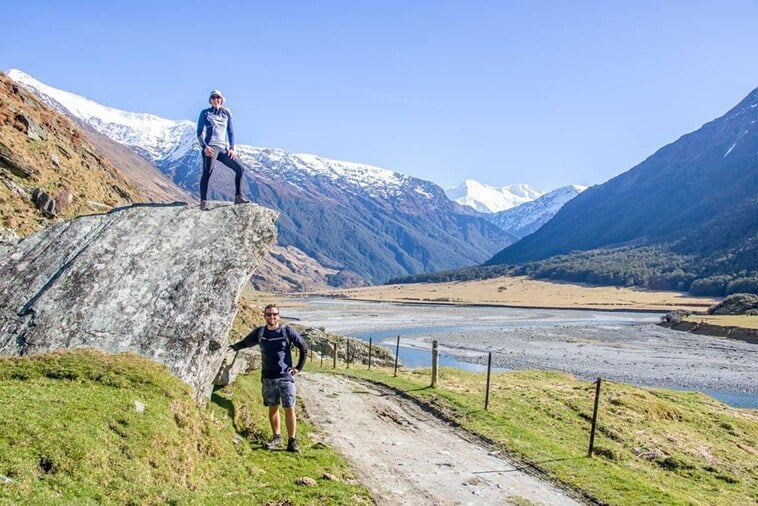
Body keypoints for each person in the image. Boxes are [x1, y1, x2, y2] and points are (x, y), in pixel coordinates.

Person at [229, 303, 308, 452]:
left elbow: (303, 347)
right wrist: (233, 348)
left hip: (285, 377)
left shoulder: (287, 331)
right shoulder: (260, 333)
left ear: (279, 315)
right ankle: (276, 438)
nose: (272, 317)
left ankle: (292, 441)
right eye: (269, 314)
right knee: (273, 408)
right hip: (268, 378)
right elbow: (246, 342)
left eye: (274, 314)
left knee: (289, 408)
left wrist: (298, 368)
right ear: (264, 316)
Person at [196, 89, 250, 211]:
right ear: (210, 100)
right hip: (211, 147)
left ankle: (238, 197)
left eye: (218, 97)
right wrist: (205, 147)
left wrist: (232, 148)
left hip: (223, 148)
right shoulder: (205, 113)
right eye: (213, 98)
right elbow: (199, 133)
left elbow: (230, 132)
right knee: (207, 172)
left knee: (240, 168)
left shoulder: (226, 113)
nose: (216, 100)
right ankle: (203, 201)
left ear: (222, 99)